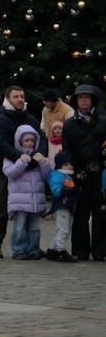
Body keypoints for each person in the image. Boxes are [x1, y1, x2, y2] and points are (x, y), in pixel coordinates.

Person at [0, 85, 43, 259]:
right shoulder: (1, 119)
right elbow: (0, 142)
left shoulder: (30, 118)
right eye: (16, 96)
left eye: (22, 96)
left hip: (30, 169)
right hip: (8, 170)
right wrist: (20, 157)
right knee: (2, 206)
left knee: (30, 208)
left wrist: (34, 158)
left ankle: (31, 246)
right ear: (8, 99)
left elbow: (41, 138)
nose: (20, 99)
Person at [61, 84, 106, 261]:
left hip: (100, 171)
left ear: (93, 100)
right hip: (80, 171)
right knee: (81, 212)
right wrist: (72, 171)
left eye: (87, 97)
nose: (84, 100)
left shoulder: (103, 121)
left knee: (101, 212)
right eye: (80, 98)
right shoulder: (70, 124)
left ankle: (101, 250)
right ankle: (80, 250)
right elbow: (67, 149)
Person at [2, 124, 52, 260]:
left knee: (34, 228)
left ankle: (33, 249)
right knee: (20, 227)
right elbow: (9, 173)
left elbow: (47, 176)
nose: (30, 143)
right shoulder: (12, 157)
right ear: (20, 141)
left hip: (36, 200)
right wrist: (21, 162)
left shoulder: (38, 156)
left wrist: (44, 163)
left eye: (32, 140)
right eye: (26, 140)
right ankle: (19, 249)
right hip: (20, 201)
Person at [47, 154, 79, 263]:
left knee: (63, 229)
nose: (69, 166)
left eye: (70, 164)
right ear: (60, 165)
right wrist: (71, 190)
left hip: (67, 207)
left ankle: (52, 250)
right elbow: (56, 191)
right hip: (61, 207)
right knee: (63, 230)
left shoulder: (67, 176)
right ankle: (61, 251)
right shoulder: (57, 175)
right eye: (66, 164)